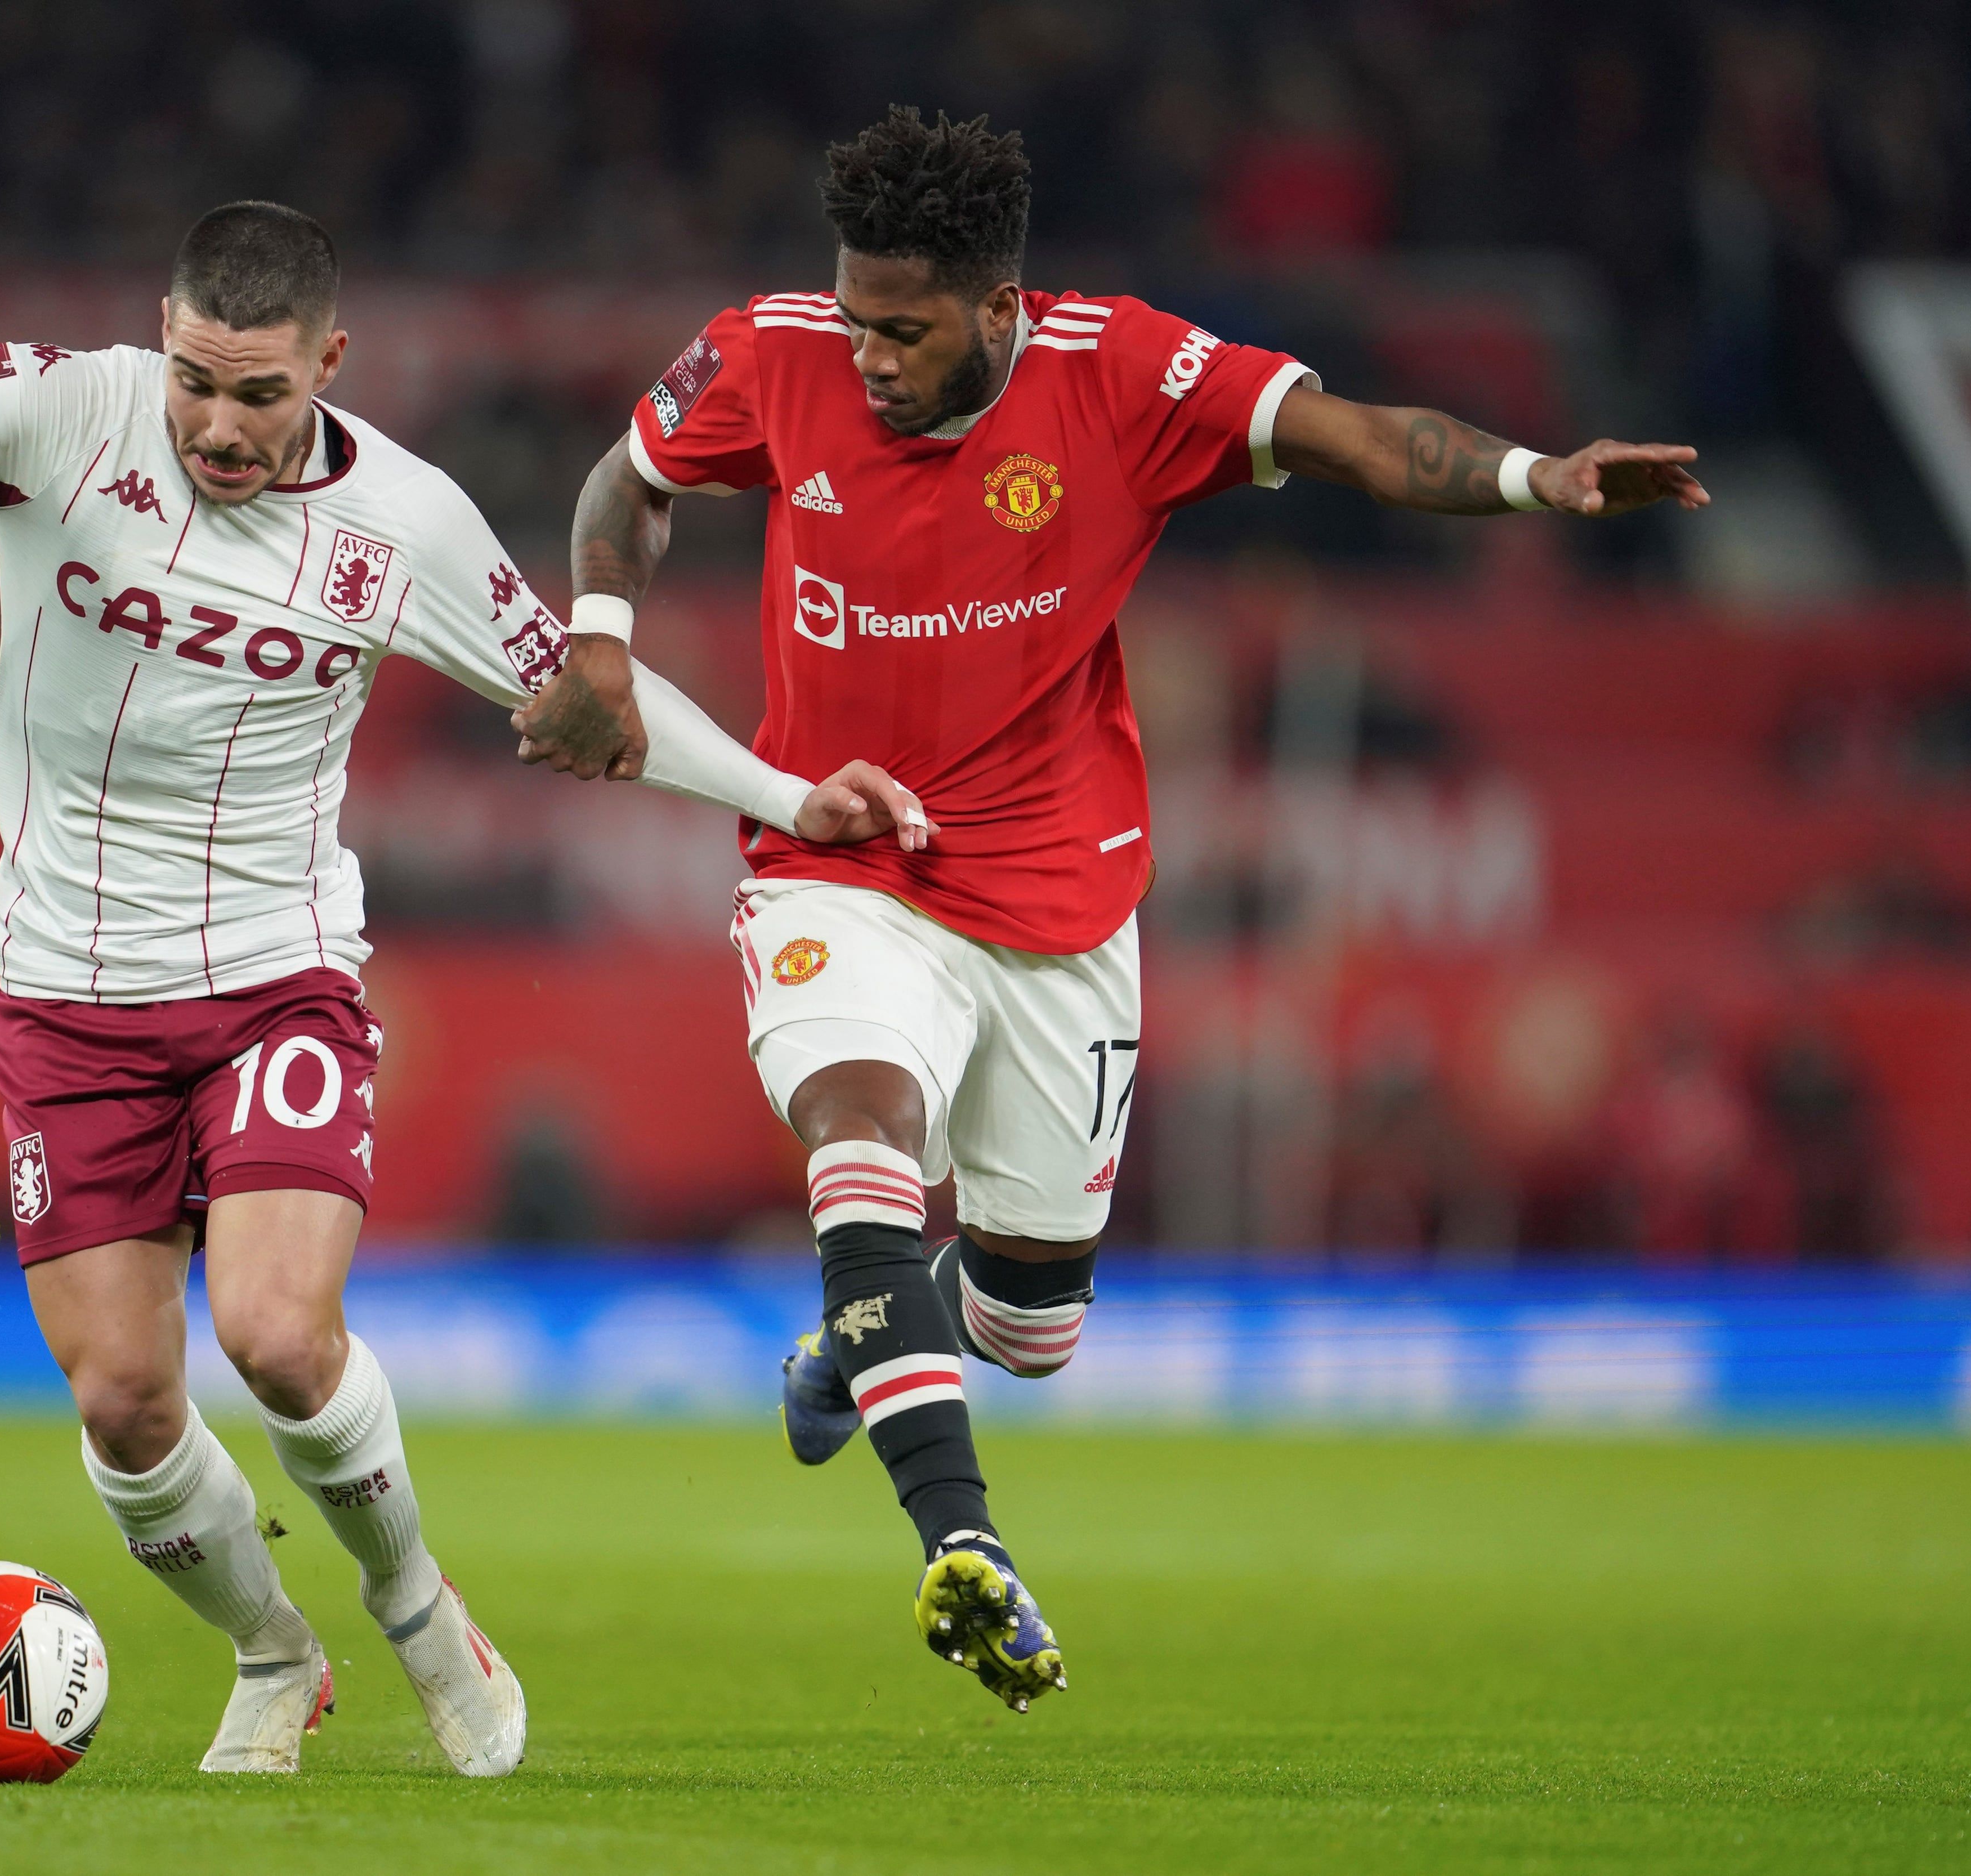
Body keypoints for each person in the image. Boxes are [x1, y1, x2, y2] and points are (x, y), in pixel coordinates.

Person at [515, 108, 1708, 1713]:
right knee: (860, 1128)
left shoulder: (1124, 376)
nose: (869, 357)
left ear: (999, 308)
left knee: (1030, 1321)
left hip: (1057, 896)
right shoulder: (774, 350)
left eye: (907, 331)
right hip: (838, 853)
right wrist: (600, 633)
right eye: (858, 317)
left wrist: (1536, 478)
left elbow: (1358, 440)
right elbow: (630, 476)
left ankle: (862, 1339)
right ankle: (963, 1541)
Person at [0, 203, 923, 1775]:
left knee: (279, 1335)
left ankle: (421, 1612)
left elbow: (586, 693)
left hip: (275, 980)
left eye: (261, 394)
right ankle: (275, 1652)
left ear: (330, 362)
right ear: (161, 336)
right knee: (125, 1399)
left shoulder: (404, 522)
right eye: (196, 382)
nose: (218, 426)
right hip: (66, 997)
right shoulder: (59, 410)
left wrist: (787, 794)